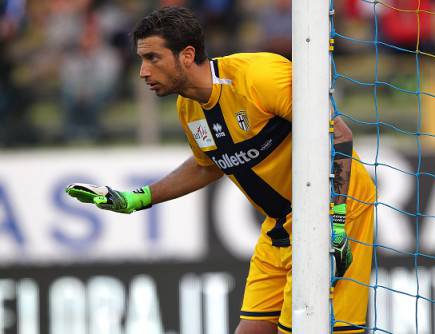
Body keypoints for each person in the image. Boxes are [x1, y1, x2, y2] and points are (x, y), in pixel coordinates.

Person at [65, 7, 375, 334]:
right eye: (142, 60)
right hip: (281, 225)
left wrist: (336, 222)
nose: (143, 71)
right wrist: (135, 199)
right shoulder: (188, 108)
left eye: (153, 58)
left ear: (186, 55)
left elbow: (339, 135)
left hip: (337, 211)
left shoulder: (260, 76)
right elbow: (207, 165)